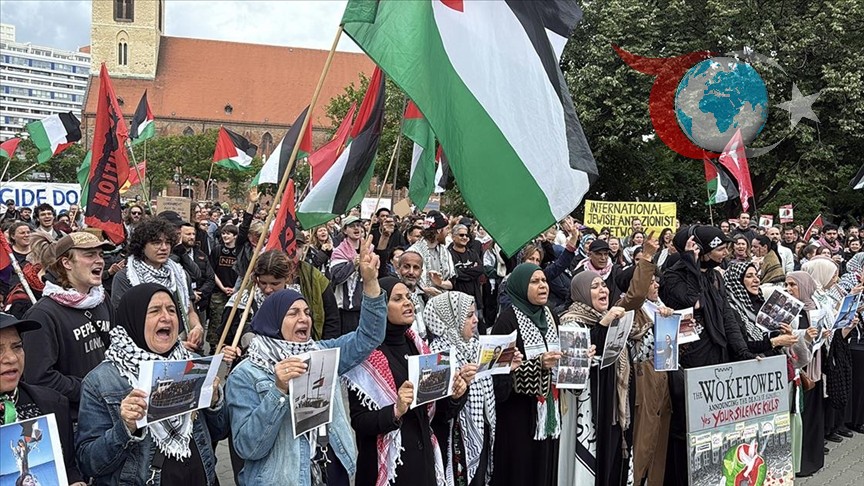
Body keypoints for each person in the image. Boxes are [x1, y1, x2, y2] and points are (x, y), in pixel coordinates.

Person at [227, 240, 385, 486]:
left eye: (307, 313)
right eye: (293, 313)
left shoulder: (321, 353)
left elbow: (369, 337)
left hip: (332, 470)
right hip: (285, 477)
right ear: (272, 321)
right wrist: (278, 390)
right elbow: (248, 447)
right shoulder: (246, 374)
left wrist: (371, 282)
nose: (304, 319)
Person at [76, 284, 238, 485]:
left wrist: (214, 401)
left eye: (172, 310)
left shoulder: (193, 364)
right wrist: (125, 427)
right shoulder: (102, 381)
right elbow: (89, 463)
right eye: (154, 311)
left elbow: (219, 432)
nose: (166, 317)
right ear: (133, 318)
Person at [345, 277, 469, 486]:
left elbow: (438, 414)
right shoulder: (364, 356)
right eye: (397, 298)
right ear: (379, 308)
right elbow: (360, 421)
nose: (408, 303)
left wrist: (456, 395)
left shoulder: (420, 348)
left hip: (422, 463)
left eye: (409, 298)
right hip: (388, 469)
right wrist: (395, 410)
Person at [660, 226, 757, 486]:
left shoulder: (716, 276)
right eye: (719, 247)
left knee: (715, 426)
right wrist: (691, 264)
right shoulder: (674, 276)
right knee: (688, 426)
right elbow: (693, 301)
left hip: (717, 354)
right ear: (700, 249)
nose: (725, 251)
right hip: (690, 361)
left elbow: (725, 315)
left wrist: (742, 350)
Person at [425, 290, 524, 486]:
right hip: (453, 438)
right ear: (451, 319)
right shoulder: (436, 353)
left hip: (481, 433)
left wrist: (506, 370)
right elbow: (435, 411)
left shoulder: (475, 346)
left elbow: (497, 396)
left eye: (474, 314)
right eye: (468, 315)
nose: (476, 320)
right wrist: (459, 387)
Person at [21, 232, 116, 423]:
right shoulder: (43, 314)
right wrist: (91, 389)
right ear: (66, 263)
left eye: (100, 254)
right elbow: (39, 378)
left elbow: (115, 348)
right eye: (89, 255)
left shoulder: (102, 301)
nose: (99, 261)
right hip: (74, 421)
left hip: (109, 412)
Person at [489, 263, 562, 486]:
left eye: (544, 281)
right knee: (519, 470)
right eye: (534, 282)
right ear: (520, 287)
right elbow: (497, 375)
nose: (543, 286)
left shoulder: (550, 316)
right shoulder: (507, 322)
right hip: (517, 415)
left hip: (547, 410)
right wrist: (538, 364)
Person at [559, 272, 631, 485]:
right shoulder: (570, 323)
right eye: (595, 286)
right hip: (586, 408)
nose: (603, 290)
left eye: (603, 285)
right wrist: (602, 326)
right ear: (581, 292)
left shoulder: (608, 316)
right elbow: (572, 376)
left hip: (609, 407)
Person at [0, 313, 85, 485]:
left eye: (17, 347)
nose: (11, 358)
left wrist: (75, 481)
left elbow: (68, 467)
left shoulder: (53, 403)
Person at [111, 218, 205, 352]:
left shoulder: (180, 275)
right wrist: (169, 344)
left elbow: (189, 310)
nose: (164, 247)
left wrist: (197, 327)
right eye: (156, 243)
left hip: (182, 349)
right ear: (142, 246)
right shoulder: (125, 278)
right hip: (142, 352)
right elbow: (125, 323)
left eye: (168, 242)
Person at [330, 216, 369, 335]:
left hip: (365, 308)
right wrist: (353, 264)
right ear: (345, 230)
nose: (356, 228)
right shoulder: (339, 252)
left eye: (358, 225)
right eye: (352, 226)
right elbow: (336, 277)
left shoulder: (368, 249)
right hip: (347, 311)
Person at [408, 210, 455, 297]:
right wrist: (424, 290)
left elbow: (452, 282)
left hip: (442, 302)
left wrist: (440, 283)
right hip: (420, 303)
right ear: (439, 230)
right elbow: (406, 281)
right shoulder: (413, 252)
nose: (448, 233)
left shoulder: (445, 251)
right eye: (446, 229)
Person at [207, 224, 239, 349]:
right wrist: (222, 287)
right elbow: (211, 271)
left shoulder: (240, 252)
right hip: (219, 291)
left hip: (236, 291)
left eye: (228, 233)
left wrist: (236, 289)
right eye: (223, 233)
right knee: (216, 318)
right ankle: (213, 346)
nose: (225, 236)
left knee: (233, 319)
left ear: (235, 236)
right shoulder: (217, 250)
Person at [570, 239, 622, 309]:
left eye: (606, 254)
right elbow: (571, 298)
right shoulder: (580, 273)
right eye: (598, 254)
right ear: (590, 255)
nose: (603, 258)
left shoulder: (616, 272)